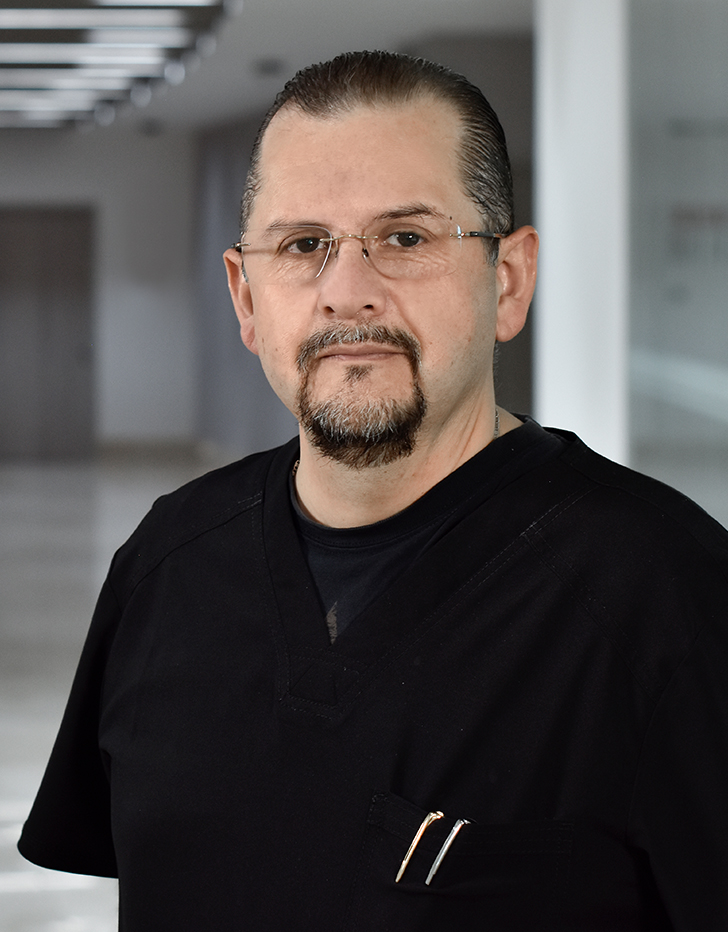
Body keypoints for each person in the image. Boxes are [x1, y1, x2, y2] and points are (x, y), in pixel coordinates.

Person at [18, 50, 728, 931]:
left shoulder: (667, 591)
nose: (346, 293)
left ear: (507, 281)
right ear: (246, 296)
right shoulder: (168, 562)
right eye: (304, 245)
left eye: (406, 238)